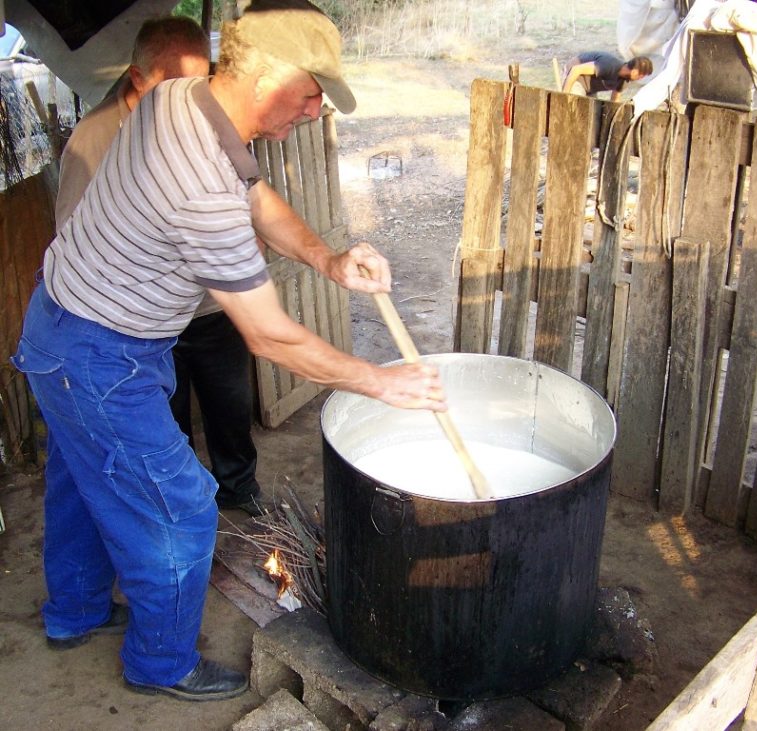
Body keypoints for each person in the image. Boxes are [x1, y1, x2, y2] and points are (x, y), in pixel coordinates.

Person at [12, 0, 446, 703]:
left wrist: (328, 259)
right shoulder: (198, 185)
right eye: (311, 95)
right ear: (269, 79)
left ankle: (75, 613)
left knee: (81, 481)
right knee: (180, 509)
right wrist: (380, 381)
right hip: (99, 356)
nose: (313, 113)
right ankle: (161, 663)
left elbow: (257, 194)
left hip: (64, 330)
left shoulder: (183, 99)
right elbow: (269, 334)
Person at [56, 16, 265, 518]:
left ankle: (239, 490)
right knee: (164, 427)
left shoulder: (214, 118)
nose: (188, 98)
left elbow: (251, 202)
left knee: (230, 409)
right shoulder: (95, 137)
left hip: (214, 309)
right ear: (137, 77)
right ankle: (185, 509)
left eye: (198, 83)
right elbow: (72, 230)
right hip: (141, 323)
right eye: (173, 85)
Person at [562, 52, 653, 102]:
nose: (641, 78)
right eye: (641, 75)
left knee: (592, 114)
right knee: (575, 106)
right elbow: (576, 70)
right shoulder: (610, 65)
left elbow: (615, 100)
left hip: (589, 88)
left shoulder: (624, 81)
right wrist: (564, 95)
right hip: (576, 78)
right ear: (634, 71)